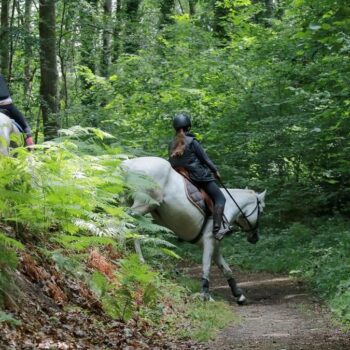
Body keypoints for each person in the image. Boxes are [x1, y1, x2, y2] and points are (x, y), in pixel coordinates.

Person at [168, 113, 231, 240]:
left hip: (180, 174)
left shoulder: (171, 144)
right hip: (197, 175)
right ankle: (218, 230)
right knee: (220, 198)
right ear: (188, 127)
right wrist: (215, 171)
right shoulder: (192, 142)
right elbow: (205, 160)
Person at [0, 74, 34, 147]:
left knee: (24, 124)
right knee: (24, 125)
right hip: (7, 105)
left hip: (5, 104)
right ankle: (29, 141)